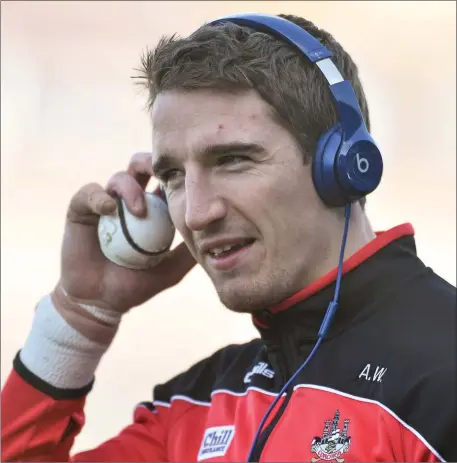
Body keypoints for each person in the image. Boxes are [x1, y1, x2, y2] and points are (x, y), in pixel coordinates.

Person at [1, 12, 456, 463]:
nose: (197, 214)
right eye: (174, 176)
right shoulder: (194, 406)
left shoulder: (441, 379)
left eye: (233, 159)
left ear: (342, 165)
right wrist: (77, 319)